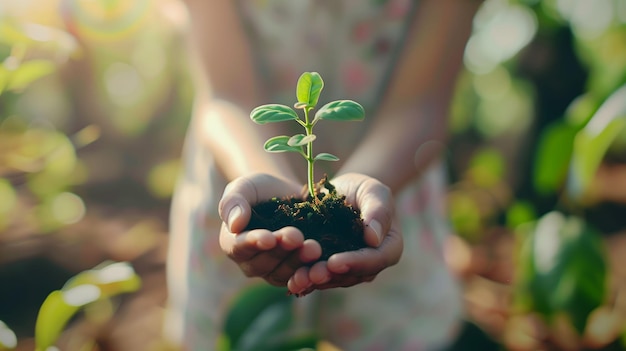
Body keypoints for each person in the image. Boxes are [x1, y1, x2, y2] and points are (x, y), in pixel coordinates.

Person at [165, 0, 483, 350]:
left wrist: (365, 183)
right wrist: (267, 195)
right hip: (239, 167)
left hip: (392, 196)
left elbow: (419, 105)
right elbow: (227, 97)